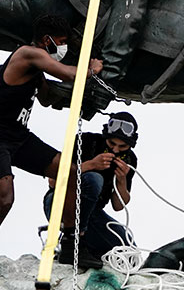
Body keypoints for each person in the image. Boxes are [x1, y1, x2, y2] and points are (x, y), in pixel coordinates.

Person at [0, 15, 103, 290]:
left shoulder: (36, 71)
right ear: (47, 40)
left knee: (68, 172)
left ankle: (70, 243)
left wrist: (84, 97)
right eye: (61, 43)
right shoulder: (28, 54)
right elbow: (68, 73)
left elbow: (46, 99)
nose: (63, 49)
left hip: (17, 136)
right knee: (4, 200)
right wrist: (90, 68)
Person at [43, 112, 139, 264]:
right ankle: (73, 242)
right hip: (60, 204)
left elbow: (119, 205)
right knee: (94, 178)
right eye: (111, 144)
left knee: (129, 251)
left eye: (122, 146)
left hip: (92, 216)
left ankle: (87, 250)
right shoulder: (84, 141)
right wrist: (90, 165)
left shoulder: (130, 159)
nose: (115, 150)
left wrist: (121, 180)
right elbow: (52, 181)